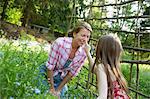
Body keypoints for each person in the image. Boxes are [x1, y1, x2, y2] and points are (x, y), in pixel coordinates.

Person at [38, 21, 92, 98]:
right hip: (47, 74)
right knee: (42, 94)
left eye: (88, 37)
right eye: (83, 35)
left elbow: (71, 73)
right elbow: (50, 67)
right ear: (74, 34)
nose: (85, 39)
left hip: (61, 78)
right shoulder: (60, 43)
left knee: (62, 96)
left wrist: (58, 90)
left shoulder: (84, 52)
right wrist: (52, 89)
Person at [84, 33, 129, 99]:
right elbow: (94, 70)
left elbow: (102, 96)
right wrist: (88, 53)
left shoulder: (102, 67)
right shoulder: (113, 68)